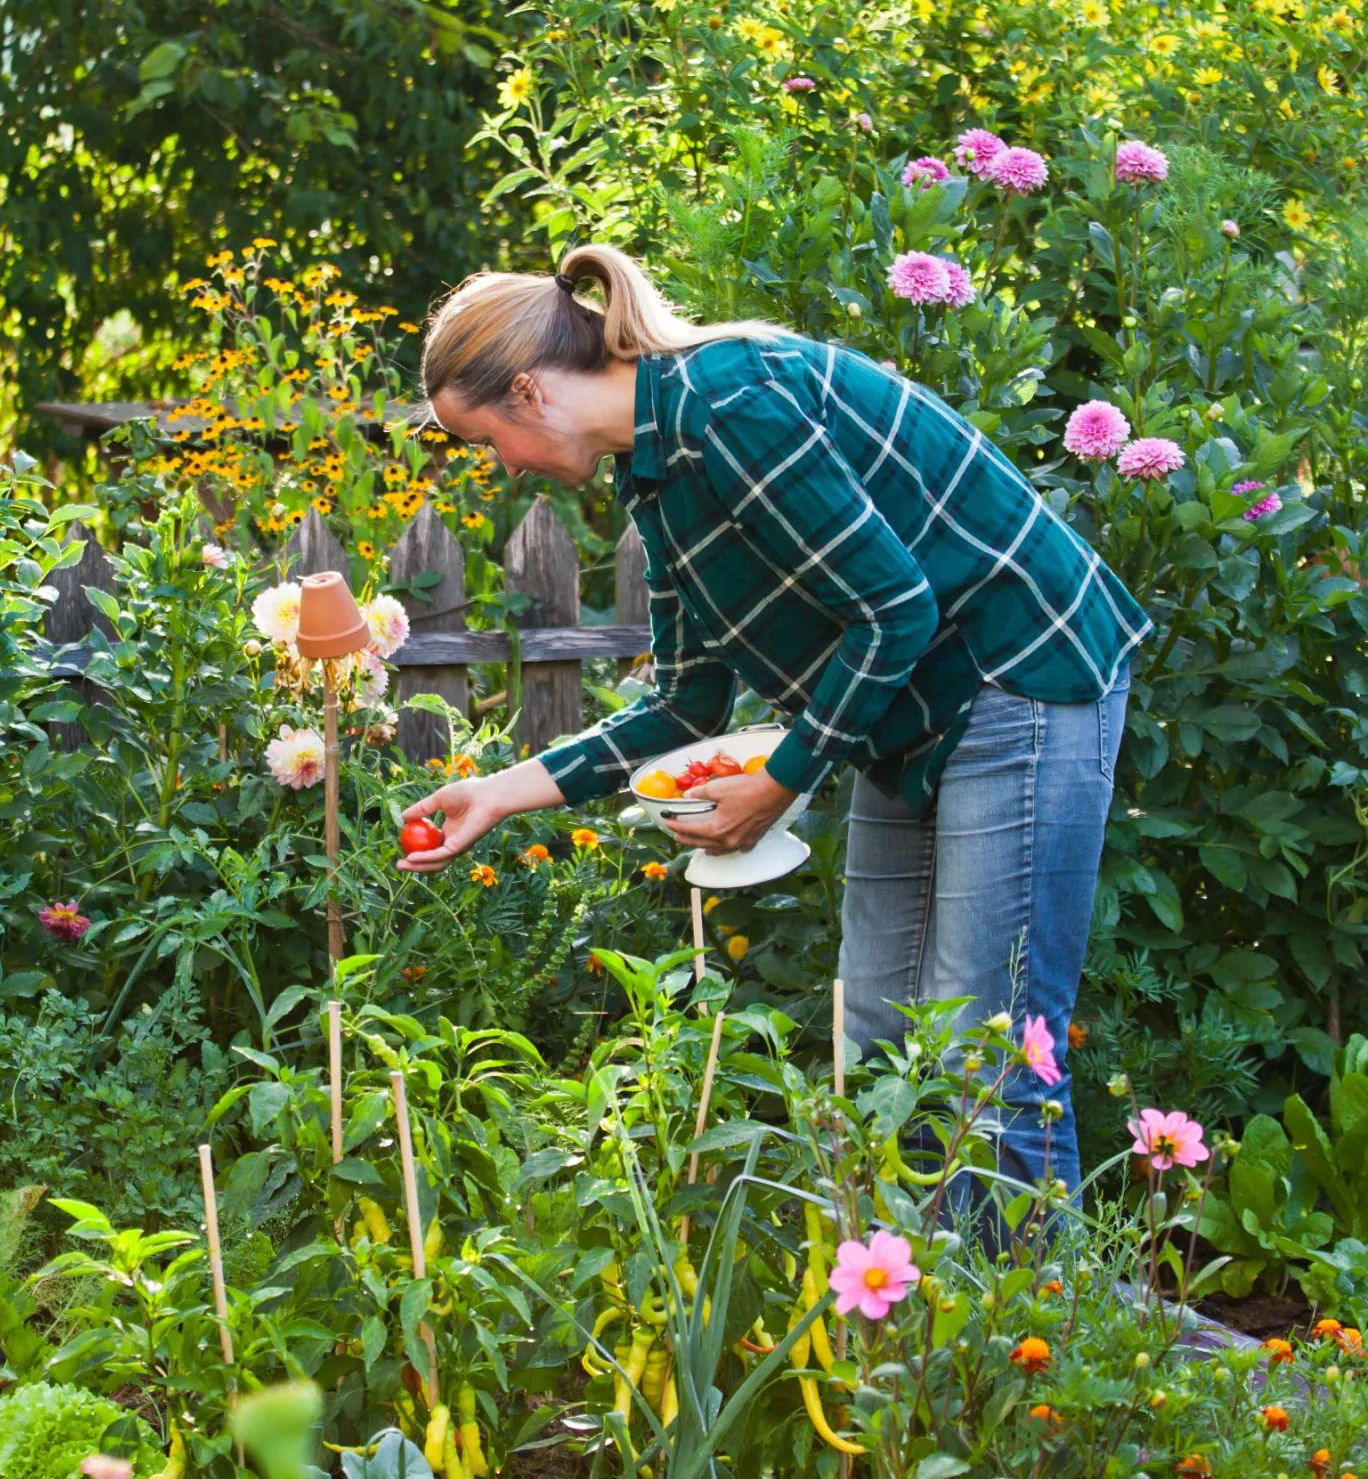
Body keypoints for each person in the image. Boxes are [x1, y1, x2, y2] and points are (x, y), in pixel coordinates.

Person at [392, 243, 1149, 1195]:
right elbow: (686, 702)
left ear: (532, 392)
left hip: (1018, 669)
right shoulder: (657, 475)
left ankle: (1032, 1326)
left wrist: (782, 780)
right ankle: (923, 1317)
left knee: (981, 1049)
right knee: (879, 1033)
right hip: (907, 712)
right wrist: (498, 795)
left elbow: (895, 609)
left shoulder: (730, 405)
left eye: (487, 440)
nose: (502, 466)